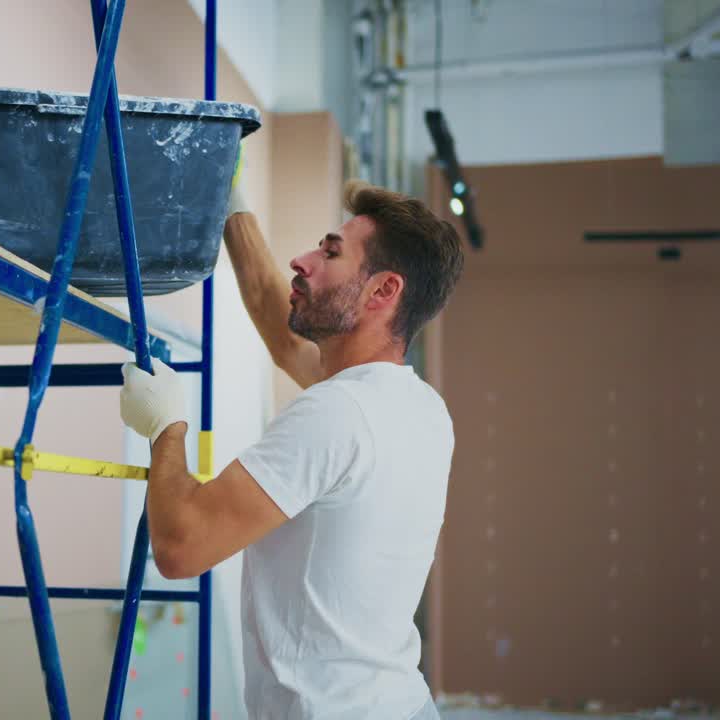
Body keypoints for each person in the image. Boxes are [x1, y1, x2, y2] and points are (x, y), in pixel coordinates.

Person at [118, 169, 465, 719]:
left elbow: (181, 547)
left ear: (383, 290)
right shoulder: (419, 408)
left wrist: (167, 427)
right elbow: (278, 324)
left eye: (331, 253)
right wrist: (229, 194)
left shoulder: (336, 413)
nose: (302, 260)